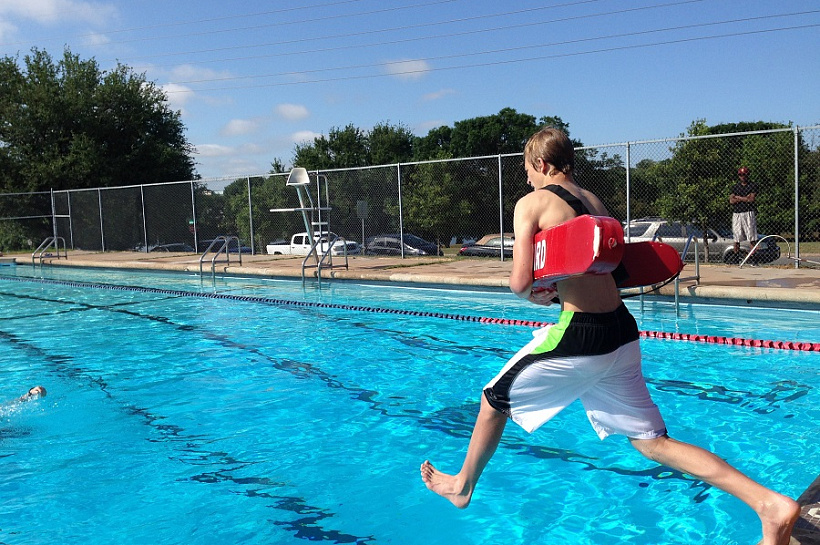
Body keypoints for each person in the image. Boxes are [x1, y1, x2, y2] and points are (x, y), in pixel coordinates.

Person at [420, 128, 799, 545]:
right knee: (653, 443)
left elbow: (520, 283)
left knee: (493, 400)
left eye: (527, 170)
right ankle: (768, 504)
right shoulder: (596, 203)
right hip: (621, 329)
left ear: (541, 165)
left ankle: (462, 487)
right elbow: (603, 269)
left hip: (581, 335)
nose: (527, 179)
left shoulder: (531, 203)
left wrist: (538, 294)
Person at [730, 166, 759, 256]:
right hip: (737, 213)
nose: (742, 176)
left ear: (747, 175)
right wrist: (745, 198)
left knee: (752, 237)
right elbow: (731, 200)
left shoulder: (752, 185)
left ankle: (754, 257)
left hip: (748, 212)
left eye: (744, 174)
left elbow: (751, 199)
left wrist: (738, 197)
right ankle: (736, 257)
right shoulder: (735, 187)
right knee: (736, 237)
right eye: (740, 175)